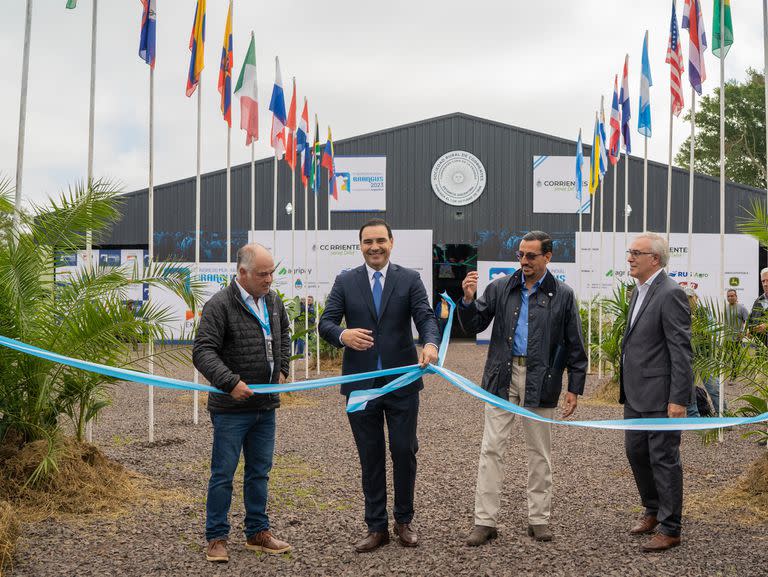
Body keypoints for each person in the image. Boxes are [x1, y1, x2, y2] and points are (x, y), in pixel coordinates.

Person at [319, 218, 440, 552]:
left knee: (404, 451)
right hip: (360, 387)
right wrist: (343, 335)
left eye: (380, 241)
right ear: (360, 245)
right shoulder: (346, 281)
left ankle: (404, 521)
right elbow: (325, 323)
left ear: (391, 242)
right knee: (369, 456)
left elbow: (426, 318)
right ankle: (376, 527)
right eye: (368, 241)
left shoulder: (410, 279)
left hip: (402, 383)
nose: (374, 247)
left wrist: (430, 345)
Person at [460, 230, 587, 546]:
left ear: (548, 256)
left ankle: (539, 519)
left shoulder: (564, 294)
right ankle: (485, 521)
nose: (524, 261)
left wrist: (575, 388)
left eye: (531, 255)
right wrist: (467, 299)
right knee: (491, 449)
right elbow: (474, 324)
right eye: (520, 254)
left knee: (539, 452)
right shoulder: (501, 287)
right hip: (501, 378)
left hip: (541, 381)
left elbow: (575, 344)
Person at [193, 243, 292, 563]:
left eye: (272, 273)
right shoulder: (219, 305)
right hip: (231, 410)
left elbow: (285, 335)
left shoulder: (274, 302)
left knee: (260, 472)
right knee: (223, 473)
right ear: (242, 273)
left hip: (265, 407)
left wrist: (284, 368)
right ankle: (217, 537)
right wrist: (230, 383)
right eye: (263, 274)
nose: (269, 280)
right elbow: (203, 352)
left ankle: (257, 532)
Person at [621, 232, 693, 552]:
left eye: (637, 253)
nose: (630, 257)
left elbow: (681, 351)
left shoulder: (670, 293)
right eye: (629, 252)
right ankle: (652, 509)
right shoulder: (639, 291)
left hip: (662, 397)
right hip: (636, 395)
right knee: (636, 453)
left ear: (656, 259)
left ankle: (671, 527)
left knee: (663, 458)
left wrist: (679, 398)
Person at [748, 268, 768, 346]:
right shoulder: (758, 301)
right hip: (761, 351)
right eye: (763, 281)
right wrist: (751, 330)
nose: (765, 284)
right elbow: (751, 320)